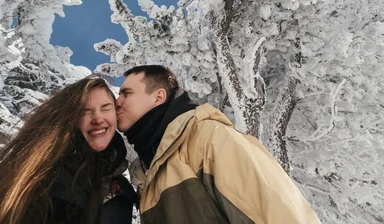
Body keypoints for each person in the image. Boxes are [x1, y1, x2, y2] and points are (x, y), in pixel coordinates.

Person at [117, 65, 321, 224]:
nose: (118, 101)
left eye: (126, 93)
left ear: (158, 97)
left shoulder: (208, 138)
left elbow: (280, 215)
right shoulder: (150, 172)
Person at [0, 74, 137, 224]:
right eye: (85, 111)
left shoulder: (120, 188)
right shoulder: (37, 169)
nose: (97, 118)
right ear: (71, 119)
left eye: (106, 108)